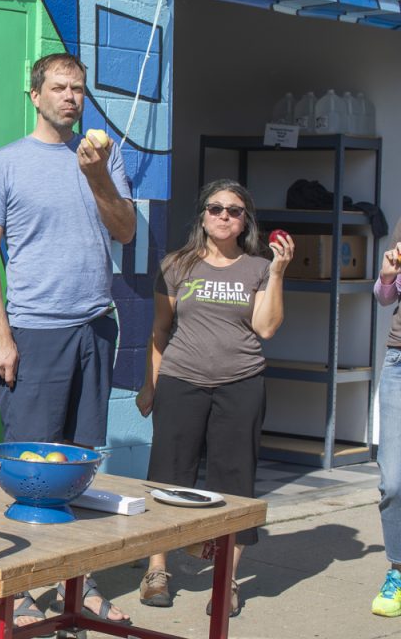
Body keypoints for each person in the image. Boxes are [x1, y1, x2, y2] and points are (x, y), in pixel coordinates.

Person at [0, 52, 136, 628]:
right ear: (35, 94)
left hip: (95, 327)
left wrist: (97, 175)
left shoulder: (103, 158)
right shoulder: (7, 164)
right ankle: (14, 591)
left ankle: (76, 586)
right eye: (60, 88)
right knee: (27, 466)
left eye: (79, 90)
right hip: (34, 332)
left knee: (79, 462)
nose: (71, 97)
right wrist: (0, 334)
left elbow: (126, 230)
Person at [136, 180, 290, 617]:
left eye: (235, 210)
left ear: (246, 221)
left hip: (240, 384)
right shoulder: (175, 265)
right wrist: (151, 384)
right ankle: (156, 569)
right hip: (181, 381)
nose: (224, 216)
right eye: (216, 207)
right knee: (167, 477)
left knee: (234, 483)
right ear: (202, 215)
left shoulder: (258, 267)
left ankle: (227, 580)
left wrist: (278, 272)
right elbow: (160, 330)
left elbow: (266, 328)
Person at [370, 222, 401, 618]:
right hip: (399, 363)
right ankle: (397, 570)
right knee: (393, 481)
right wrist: (386, 277)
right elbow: (383, 296)